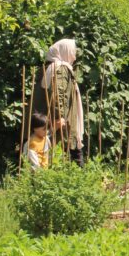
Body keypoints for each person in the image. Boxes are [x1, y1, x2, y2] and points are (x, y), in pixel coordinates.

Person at [42, 38, 85, 166]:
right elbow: (58, 95)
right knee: (71, 151)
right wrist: (59, 117)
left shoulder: (53, 67)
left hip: (63, 118)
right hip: (64, 120)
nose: (74, 56)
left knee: (70, 151)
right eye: (72, 51)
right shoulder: (60, 68)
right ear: (65, 51)